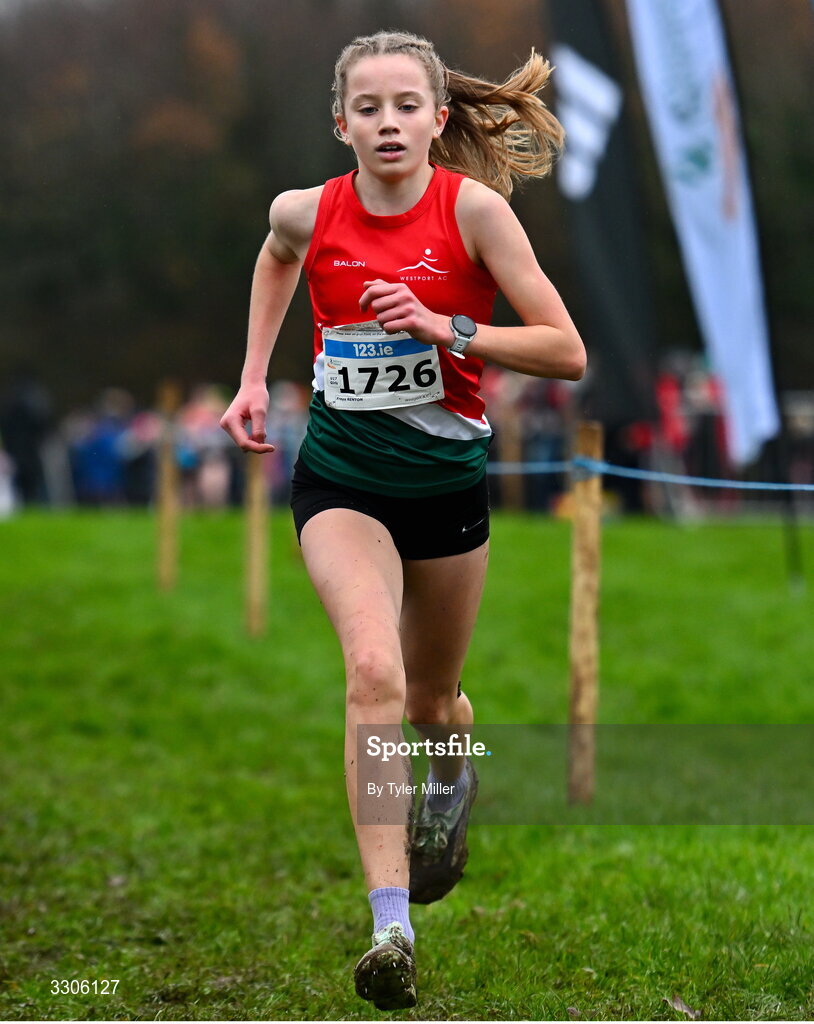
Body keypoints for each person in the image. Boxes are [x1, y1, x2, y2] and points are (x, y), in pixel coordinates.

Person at [220, 30, 585, 1011]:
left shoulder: (476, 216)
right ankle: (392, 925)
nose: (387, 122)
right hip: (340, 482)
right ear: (341, 122)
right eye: (367, 107)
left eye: (404, 106)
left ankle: (451, 774)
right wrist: (254, 378)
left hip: (447, 491)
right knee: (372, 672)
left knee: (432, 703)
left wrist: (447, 326)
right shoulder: (306, 209)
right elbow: (275, 256)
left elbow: (564, 350)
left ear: (436, 118)